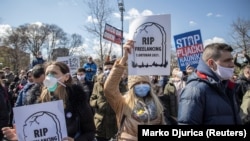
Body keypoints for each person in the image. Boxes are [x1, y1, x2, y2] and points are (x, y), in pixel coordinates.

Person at [2, 61, 95, 141]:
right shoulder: (34, 100)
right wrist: (20, 136)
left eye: (54, 73)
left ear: (66, 77)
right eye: (47, 74)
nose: (49, 77)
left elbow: (90, 132)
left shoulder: (77, 100)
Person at [103, 40, 165, 140]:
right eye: (137, 84)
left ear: (149, 86)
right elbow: (109, 89)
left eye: (144, 83)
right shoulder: (123, 103)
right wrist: (123, 60)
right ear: (131, 88)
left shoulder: (157, 105)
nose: (141, 86)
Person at [178, 43, 242, 125]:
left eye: (232, 60)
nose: (232, 64)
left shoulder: (226, 85)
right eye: (227, 60)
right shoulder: (195, 90)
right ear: (211, 63)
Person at [90, 61, 118, 141]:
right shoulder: (97, 84)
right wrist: (98, 103)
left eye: (110, 69)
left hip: (114, 123)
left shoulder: (119, 83)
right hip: (100, 123)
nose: (108, 71)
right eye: (106, 69)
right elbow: (91, 100)